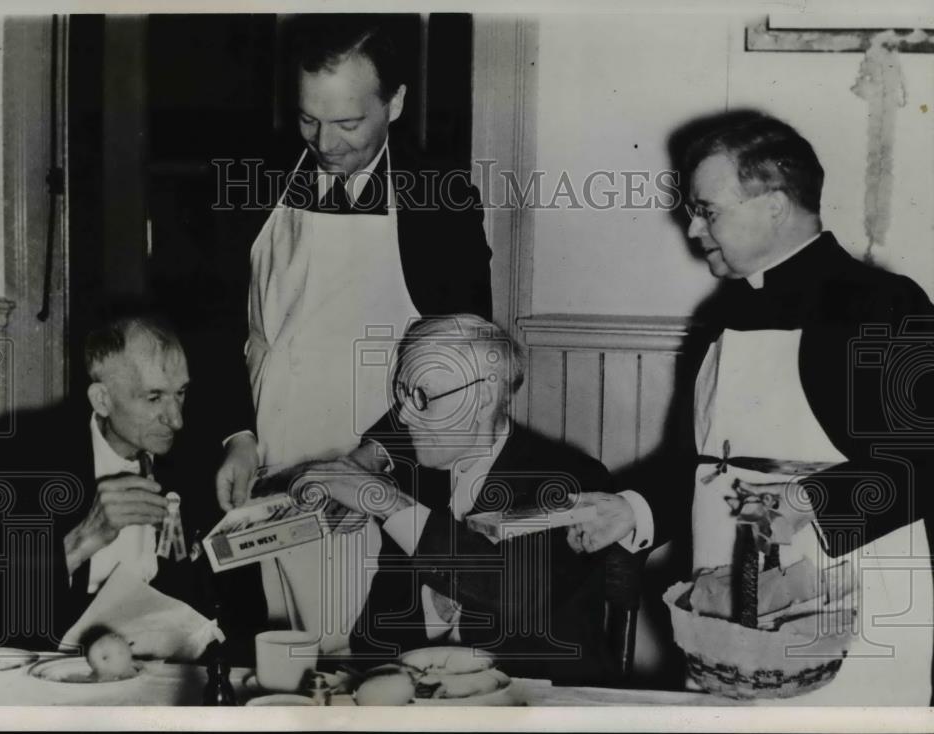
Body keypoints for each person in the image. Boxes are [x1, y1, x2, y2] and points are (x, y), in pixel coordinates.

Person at [573, 113, 934, 704]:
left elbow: (925, 464)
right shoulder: (722, 314)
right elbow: (700, 463)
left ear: (773, 205)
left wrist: (810, 500)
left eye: (707, 210)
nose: (693, 230)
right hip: (727, 606)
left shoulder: (881, 303)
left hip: (849, 601)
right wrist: (630, 510)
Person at [236, 15, 493, 647]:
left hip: (377, 480)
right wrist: (234, 434)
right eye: (307, 119)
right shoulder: (253, 178)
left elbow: (463, 368)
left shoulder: (439, 198)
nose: (325, 142)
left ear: (395, 103)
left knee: (360, 664)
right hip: (261, 463)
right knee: (266, 655)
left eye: (348, 123)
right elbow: (221, 322)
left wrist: (370, 466)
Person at [290, 315, 650, 684]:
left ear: (484, 397)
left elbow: (518, 597)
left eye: (422, 397)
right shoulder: (416, 474)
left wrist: (387, 502)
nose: (406, 416)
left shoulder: (569, 477)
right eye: (402, 394)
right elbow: (374, 636)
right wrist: (432, 612)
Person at [0, 315, 246, 652]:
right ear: (102, 399)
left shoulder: (194, 459)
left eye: (181, 393)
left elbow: (225, 593)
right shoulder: (26, 460)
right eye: (154, 398)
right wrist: (81, 541)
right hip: (60, 661)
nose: (176, 419)